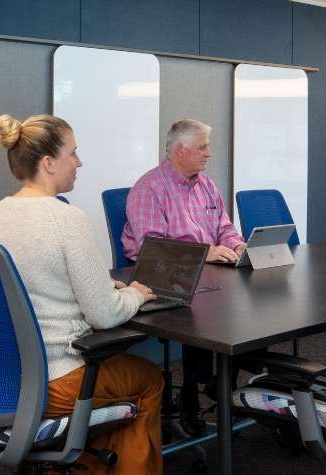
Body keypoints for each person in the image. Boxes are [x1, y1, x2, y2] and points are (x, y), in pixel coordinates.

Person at [0, 113, 162, 474]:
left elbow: (33, 277)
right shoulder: (68, 219)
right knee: (149, 381)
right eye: (73, 153)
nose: (79, 162)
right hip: (59, 378)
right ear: (49, 163)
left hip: (7, 373)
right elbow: (105, 315)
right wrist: (138, 293)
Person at [120, 119, 244, 435]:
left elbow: (224, 227)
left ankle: (223, 383)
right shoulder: (149, 188)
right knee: (200, 312)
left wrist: (236, 244)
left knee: (253, 305)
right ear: (180, 150)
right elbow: (155, 249)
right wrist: (206, 251)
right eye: (202, 147)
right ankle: (191, 390)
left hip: (211, 273)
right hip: (162, 277)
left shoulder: (206, 185)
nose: (208, 153)